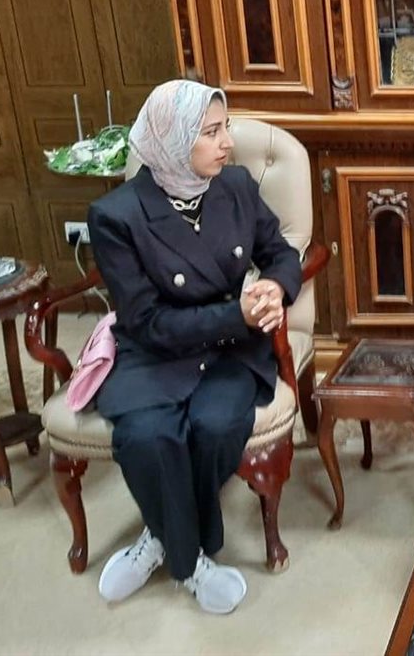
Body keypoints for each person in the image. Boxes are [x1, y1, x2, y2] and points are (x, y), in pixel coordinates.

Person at [86, 79, 302, 614]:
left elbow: (280, 253)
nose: (227, 142)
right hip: (157, 351)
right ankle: (189, 560)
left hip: (231, 349)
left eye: (225, 128)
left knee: (216, 425)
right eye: (210, 132)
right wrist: (237, 312)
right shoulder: (116, 216)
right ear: (171, 139)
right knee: (146, 435)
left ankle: (160, 537)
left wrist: (275, 288)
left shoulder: (236, 186)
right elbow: (148, 321)